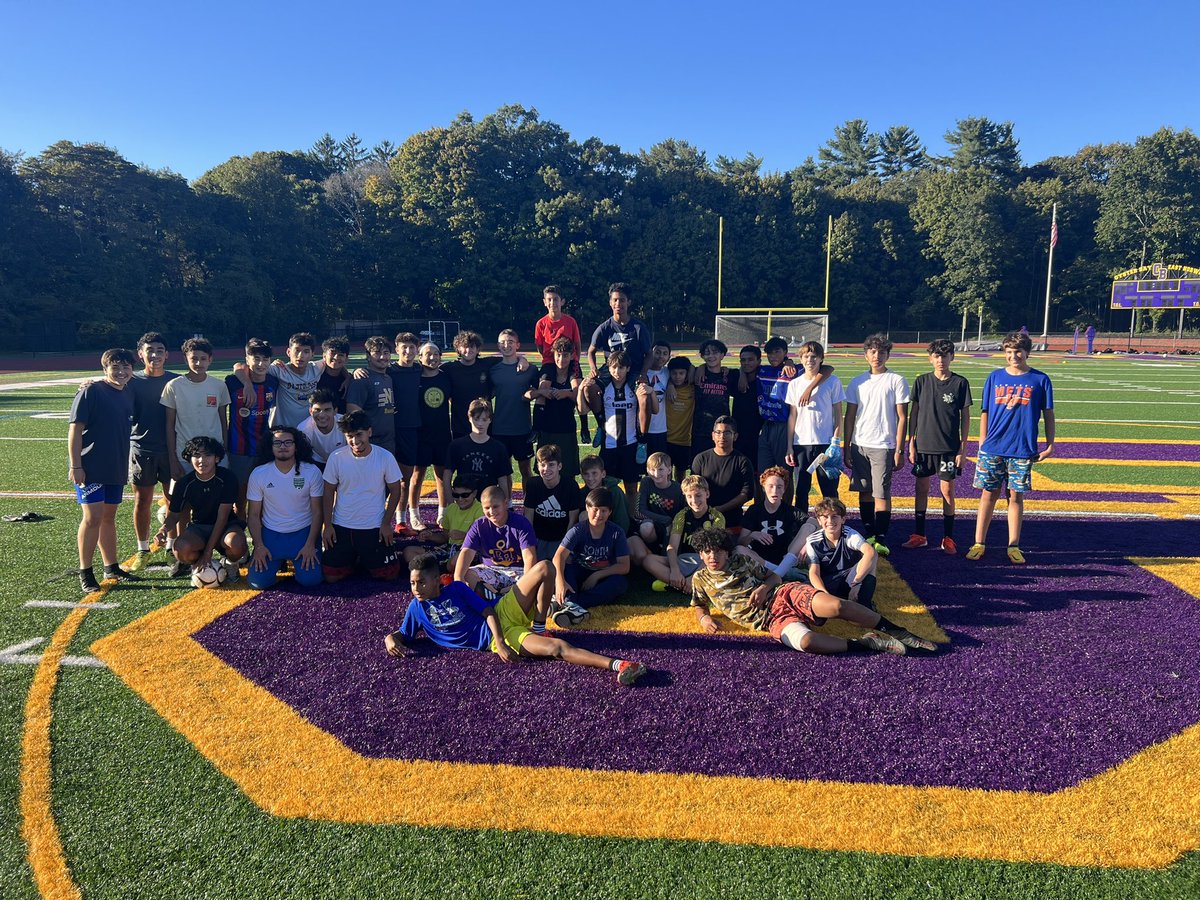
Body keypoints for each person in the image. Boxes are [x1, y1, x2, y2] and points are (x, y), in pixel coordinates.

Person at [385, 554, 647, 686]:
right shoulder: (416, 608)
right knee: (556, 648)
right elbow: (403, 634)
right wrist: (389, 638)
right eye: (412, 583)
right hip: (498, 636)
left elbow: (488, 612)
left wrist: (499, 643)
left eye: (421, 582)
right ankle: (620, 665)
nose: (416, 587)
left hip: (501, 615)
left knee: (545, 566)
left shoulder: (456, 589)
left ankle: (540, 626)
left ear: (435, 580)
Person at [689, 528, 933, 655]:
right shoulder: (700, 579)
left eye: (718, 551)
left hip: (782, 595)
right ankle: (868, 643)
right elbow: (698, 604)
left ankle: (897, 631)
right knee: (807, 642)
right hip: (769, 620)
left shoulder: (740, 561)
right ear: (701, 554)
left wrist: (764, 588)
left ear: (727, 552)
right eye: (707, 552)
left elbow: (773, 576)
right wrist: (704, 617)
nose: (713, 556)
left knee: (836, 606)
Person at [966, 331, 1055, 564]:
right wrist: (982, 440)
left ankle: (1013, 545)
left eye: (1018, 352)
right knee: (988, 495)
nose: (1013, 356)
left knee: (1015, 496)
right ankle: (979, 542)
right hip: (993, 447)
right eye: (1009, 352)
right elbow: (984, 412)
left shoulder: (1040, 380)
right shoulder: (994, 377)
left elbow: (1049, 414)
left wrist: (1050, 444)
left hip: (1022, 448)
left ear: (1027, 352)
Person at [69, 348, 137, 593]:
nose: (120, 372)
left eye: (125, 367)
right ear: (104, 370)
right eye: (115, 367)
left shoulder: (128, 391)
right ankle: (85, 571)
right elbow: (75, 430)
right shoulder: (91, 391)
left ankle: (111, 566)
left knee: (108, 517)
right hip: (91, 468)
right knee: (92, 518)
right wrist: (76, 465)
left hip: (116, 465)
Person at [903, 339, 972, 554]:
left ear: (952, 357)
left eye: (945, 355)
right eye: (937, 356)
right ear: (930, 358)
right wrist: (911, 442)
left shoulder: (960, 383)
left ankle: (948, 537)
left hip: (948, 448)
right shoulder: (922, 381)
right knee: (921, 489)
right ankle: (919, 534)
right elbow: (914, 413)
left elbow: (965, 416)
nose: (941, 360)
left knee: (947, 491)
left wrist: (962, 448)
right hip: (923, 446)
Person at [843, 334, 909, 556]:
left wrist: (900, 449)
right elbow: (849, 417)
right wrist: (847, 446)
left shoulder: (896, 380)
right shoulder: (857, 382)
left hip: (884, 444)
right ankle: (869, 532)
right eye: (873, 352)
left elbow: (902, 417)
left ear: (888, 355)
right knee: (864, 491)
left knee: (881, 493)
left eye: (881, 352)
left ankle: (880, 536)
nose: (877, 356)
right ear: (866, 355)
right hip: (860, 444)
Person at [320, 411, 403, 583]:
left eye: (359, 435)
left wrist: (387, 523)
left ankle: (363, 556)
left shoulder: (385, 457)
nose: (355, 441)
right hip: (342, 526)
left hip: (374, 527)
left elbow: (396, 490)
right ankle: (357, 557)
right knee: (331, 577)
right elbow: (328, 493)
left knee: (390, 575)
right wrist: (328, 526)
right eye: (350, 436)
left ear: (369, 432)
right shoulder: (336, 458)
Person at [155, 436, 247, 580]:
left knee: (236, 544)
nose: (202, 461)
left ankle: (231, 563)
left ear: (217, 458)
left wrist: (208, 552)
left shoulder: (228, 478)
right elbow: (173, 515)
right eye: (196, 455)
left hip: (227, 526)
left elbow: (222, 518)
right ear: (190, 459)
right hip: (199, 527)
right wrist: (163, 530)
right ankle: (199, 566)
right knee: (181, 549)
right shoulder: (184, 483)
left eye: (208, 455)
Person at [245, 426, 324, 589]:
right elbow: (253, 515)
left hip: (303, 534)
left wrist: (310, 544)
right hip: (271, 535)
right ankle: (277, 560)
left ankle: (297, 560)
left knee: (310, 581)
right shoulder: (259, 473)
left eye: (288, 442)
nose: (283, 446)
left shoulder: (311, 471)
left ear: (296, 446)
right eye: (278, 443)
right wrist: (259, 546)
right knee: (258, 583)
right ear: (270, 446)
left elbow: (317, 512)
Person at [127, 332, 180, 563]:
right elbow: (108, 385)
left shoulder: (177, 381)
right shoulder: (131, 380)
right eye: (150, 350)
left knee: (173, 500)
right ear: (140, 354)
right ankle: (143, 549)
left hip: (172, 450)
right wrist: (87, 383)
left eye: (159, 350)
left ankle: (170, 547)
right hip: (142, 449)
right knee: (142, 501)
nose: (155, 355)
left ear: (166, 355)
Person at [552, 488, 631, 624]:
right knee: (566, 570)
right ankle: (570, 603)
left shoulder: (616, 532)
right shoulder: (578, 530)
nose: (599, 515)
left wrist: (596, 576)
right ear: (587, 508)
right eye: (595, 509)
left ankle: (569, 603)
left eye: (604, 511)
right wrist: (560, 581)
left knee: (620, 583)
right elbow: (559, 556)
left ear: (610, 512)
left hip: (603, 575)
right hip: (580, 571)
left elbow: (625, 566)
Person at [580, 350, 651, 501]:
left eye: (621, 368)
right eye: (613, 368)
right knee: (605, 488)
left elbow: (647, 405)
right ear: (608, 368)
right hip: (609, 444)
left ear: (628, 368)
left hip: (630, 444)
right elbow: (589, 393)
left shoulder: (633, 385)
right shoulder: (604, 386)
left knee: (631, 489)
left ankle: (631, 522)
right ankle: (600, 426)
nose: (617, 372)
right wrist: (587, 384)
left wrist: (645, 390)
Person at [784, 341, 845, 516]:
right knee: (802, 490)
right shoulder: (794, 384)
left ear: (821, 359)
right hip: (801, 443)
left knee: (829, 490)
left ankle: (834, 524)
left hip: (825, 443)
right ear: (800, 359)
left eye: (814, 356)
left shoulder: (832, 381)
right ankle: (801, 524)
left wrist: (835, 441)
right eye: (806, 356)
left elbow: (838, 414)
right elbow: (792, 416)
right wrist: (789, 445)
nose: (810, 359)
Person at [161, 337, 230, 482]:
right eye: (194, 358)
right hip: (185, 455)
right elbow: (169, 425)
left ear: (210, 360)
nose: (199, 363)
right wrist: (173, 458)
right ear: (186, 360)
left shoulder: (219, 386)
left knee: (215, 498)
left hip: (214, 454)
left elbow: (223, 421)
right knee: (184, 501)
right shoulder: (174, 386)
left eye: (203, 358)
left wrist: (225, 450)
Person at [641, 474, 724, 594]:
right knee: (649, 560)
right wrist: (675, 570)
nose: (694, 501)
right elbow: (672, 547)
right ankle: (686, 585)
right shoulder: (682, 515)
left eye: (698, 495)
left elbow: (715, 552)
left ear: (707, 494)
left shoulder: (716, 517)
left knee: (718, 565)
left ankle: (677, 585)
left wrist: (694, 578)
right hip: (685, 561)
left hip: (707, 563)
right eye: (689, 496)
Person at [224, 338, 278, 519]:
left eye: (265, 359)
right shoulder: (233, 382)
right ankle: (240, 535)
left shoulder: (273, 381)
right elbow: (236, 366)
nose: (261, 363)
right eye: (256, 359)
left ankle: (262, 542)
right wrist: (247, 384)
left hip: (264, 449)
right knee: (240, 499)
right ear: (248, 359)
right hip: (239, 450)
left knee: (265, 498)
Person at [454, 485, 538, 597]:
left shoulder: (521, 523)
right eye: (487, 508)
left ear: (506, 503)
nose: (491, 511)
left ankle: (496, 596)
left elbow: (529, 557)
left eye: (495, 506)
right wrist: (458, 578)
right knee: (468, 574)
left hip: (518, 571)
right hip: (491, 570)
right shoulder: (479, 525)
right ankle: (496, 597)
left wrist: (527, 583)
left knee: (540, 576)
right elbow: (466, 552)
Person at [490, 329, 541, 493]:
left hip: (522, 428)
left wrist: (522, 359)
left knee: (526, 470)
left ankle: (528, 504)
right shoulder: (492, 369)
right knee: (503, 472)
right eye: (503, 342)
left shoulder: (530, 369)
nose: (506, 345)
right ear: (498, 345)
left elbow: (537, 390)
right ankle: (508, 504)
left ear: (518, 345)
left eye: (510, 342)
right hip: (499, 428)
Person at [804, 497, 878, 609]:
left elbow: (870, 552)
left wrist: (857, 583)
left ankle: (864, 603)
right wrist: (824, 593)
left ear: (843, 519)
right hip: (828, 582)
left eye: (834, 516)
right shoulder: (812, 541)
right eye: (825, 517)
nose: (830, 521)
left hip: (850, 579)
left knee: (872, 560)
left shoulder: (849, 534)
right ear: (819, 520)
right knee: (802, 589)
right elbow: (814, 572)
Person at [737, 466, 810, 576]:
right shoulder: (754, 510)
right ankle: (780, 572)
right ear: (763, 487)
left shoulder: (790, 511)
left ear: (784, 489)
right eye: (770, 486)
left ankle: (781, 571)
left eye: (779, 487)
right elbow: (741, 542)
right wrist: (753, 535)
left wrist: (807, 544)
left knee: (809, 526)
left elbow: (817, 524)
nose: (775, 491)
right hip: (761, 561)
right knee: (738, 549)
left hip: (785, 558)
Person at [412, 342, 453, 527]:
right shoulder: (414, 377)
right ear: (420, 357)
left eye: (436, 354)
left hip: (442, 434)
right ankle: (414, 514)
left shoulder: (446, 377)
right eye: (428, 354)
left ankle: (443, 514)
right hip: (421, 435)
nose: (432, 357)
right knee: (417, 475)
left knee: (442, 476)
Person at [690, 416, 755, 530]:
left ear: (735, 436)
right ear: (712, 435)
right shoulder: (701, 459)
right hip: (703, 519)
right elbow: (692, 489)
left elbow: (746, 494)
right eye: (718, 432)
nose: (722, 437)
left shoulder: (743, 461)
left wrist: (721, 509)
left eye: (727, 433)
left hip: (732, 521)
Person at [520, 444, 582, 564]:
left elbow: (573, 519)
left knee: (565, 566)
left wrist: (565, 546)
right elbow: (528, 517)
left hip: (561, 538)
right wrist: (530, 544)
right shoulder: (533, 484)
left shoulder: (570, 486)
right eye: (542, 465)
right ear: (537, 466)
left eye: (551, 465)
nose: (546, 469)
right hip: (539, 538)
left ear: (560, 466)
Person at [534, 336, 583, 481]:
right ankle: (535, 429)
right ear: (553, 354)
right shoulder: (548, 368)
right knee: (545, 472)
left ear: (571, 355)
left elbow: (577, 394)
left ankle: (585, 428)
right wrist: (545, 392)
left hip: (566, 428)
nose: (562, 360)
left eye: (565, 355)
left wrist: (565, 393)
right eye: (558, 355)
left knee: (568, 473)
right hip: (546, 427)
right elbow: (540, 393)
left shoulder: (574, 367)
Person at [444, 399, 512, 498]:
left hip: (489, 503)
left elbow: (502, 480)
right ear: (469, 418)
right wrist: (451, 504)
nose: (480, 424)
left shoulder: (498, 447)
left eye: (484, 420)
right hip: (464, 501)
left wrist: (504, 504)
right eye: (476, 419)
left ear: (490, 420)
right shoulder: (457, 445)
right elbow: (447, 476)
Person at [628, 451, 683, 564]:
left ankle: (667, 555)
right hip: (653, 522)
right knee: (646, 528)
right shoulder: (646, 482)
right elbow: (640, 510)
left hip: (672, 525)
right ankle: (654, 551)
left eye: (660, 469)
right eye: (652, 470)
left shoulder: (678, 489)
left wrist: (672, 525)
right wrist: (665, 520)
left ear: (669, 470)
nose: (656, 473)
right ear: (647, 470)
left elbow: (682, 512)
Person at [346, 336, 397, 456]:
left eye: (386, 353)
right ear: (368, 356)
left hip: (388, 440)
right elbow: (353, 411)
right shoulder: (362, 379)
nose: (382, 357)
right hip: (371, 442)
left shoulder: (388, 377)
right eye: (377, 353)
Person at [266, 332, 325, 428]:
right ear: (289, 352)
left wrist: (349, 375)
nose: (300, 356)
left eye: (306, 351)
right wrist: (247, 384)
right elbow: (242, 367)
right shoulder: (279, 369)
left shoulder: (317, 368)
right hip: (282, 430)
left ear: (312, 354)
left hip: (306, 430)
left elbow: (335, 363)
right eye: (297, 350)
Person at [690, 339, 738, 458]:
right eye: (707, 353)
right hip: (700, 429)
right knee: (698, 466)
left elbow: (746, 370)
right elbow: (681, 368)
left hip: (723, 430)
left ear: (722, 355)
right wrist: (701, 367)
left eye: (715, 352)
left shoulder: (730, 375)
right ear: (702, 356)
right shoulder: (697, 373)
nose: (711, 356)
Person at [579, 455, 630, 534]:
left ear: (603, 474)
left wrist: (617, 538)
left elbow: (622, 520)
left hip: (615, 534)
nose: (590, 478)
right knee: (583, 516)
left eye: (594, 473)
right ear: (582, 475)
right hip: (594, 536)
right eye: (586, 474)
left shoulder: (614, 491)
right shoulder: (582, 493)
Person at [730, 345, 764, 465]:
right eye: (743, 360)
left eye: (750, 360)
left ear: (759, 361)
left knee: (758, 470)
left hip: (759, 433)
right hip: (738, 433)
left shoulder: (765, 378)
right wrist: (741, 373)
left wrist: (789, 361)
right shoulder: (734, 377)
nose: (746, 363)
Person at [664, 356, 695, 481]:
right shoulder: (664, 385)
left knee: (681, 473)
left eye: (681, 373)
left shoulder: (693, 387)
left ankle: (679, 497)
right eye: (674, 373)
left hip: (684, 440)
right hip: (666, 439)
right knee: (665, 472)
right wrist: (669, 384)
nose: (677, 376)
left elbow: (696, 368)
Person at [441, 476, 483, 569]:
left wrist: (464, 536)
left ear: (475, 493)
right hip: (449, 548)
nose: (460, 499)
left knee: (456, 561)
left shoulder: (481, 510)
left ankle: (443, 570)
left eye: (465, 495)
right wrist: (430, 535)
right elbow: (444, 537)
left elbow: (484, 539)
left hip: (470, 550)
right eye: (456, 495)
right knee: (410, 552)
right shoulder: (451, 508)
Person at [298, 389, 343, 469]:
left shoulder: (345, 424)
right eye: (317, 410)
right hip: (315, 463)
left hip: (342, 461)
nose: (322, 415)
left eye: (327, 410)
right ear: (310, 411)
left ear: (335, 411)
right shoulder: (303, 430)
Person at [642, 340, 672, 459]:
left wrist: (671, 384)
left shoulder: (668, 372)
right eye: (657, 352)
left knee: (659, 465)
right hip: (642, 428)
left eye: (665, 353)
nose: (661, 356)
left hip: (661, 429)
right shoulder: (641, 372)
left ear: (669, 357)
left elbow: (688, 368)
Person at [316, 336, 351, 413]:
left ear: (346, 359)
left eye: (341, 355)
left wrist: (349, 377)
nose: (336, 357)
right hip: (320, 420)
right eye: (333, 353)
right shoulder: (316, 375)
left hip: (342, 422)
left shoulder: (349, 380)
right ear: (324, 356)